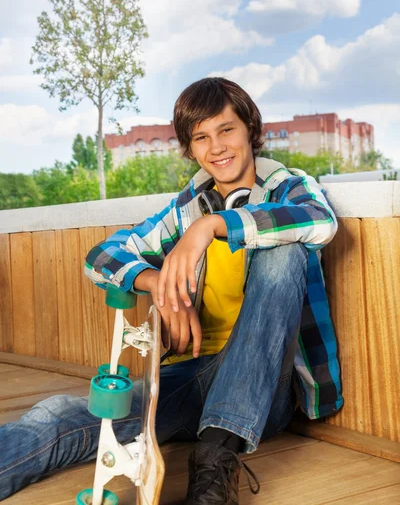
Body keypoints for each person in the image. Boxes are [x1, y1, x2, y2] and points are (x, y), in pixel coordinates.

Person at [0, 78, 343, 504]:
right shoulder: (185, 210)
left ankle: (214, 464)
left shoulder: (288, 187)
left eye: (226, 130)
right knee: (57, 416)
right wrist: (158, 284)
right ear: (190, 148)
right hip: (190, 378)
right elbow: (101, 256)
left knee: (283, 254)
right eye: (201, 137)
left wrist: (212, 227)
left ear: (251, 130)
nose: (216, 147)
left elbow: (320, 220)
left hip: (263, 391)